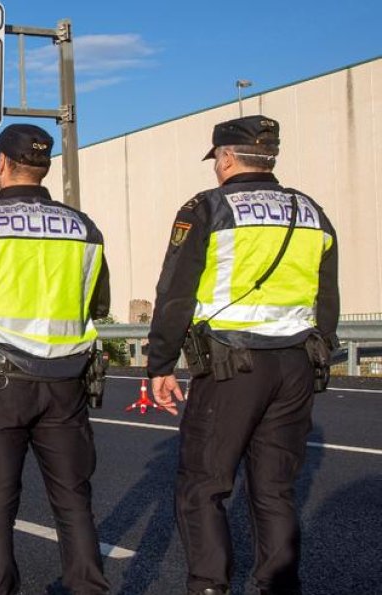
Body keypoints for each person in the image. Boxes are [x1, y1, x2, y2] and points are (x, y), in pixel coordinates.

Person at [146, 115, 339, 595]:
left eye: (216, 160)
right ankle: (279, 586)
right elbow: (327, 297)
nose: (216, 168)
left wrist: (161, 364)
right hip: (295, 363)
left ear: (227, 157)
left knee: (204, 486)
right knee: (274, 491)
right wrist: (320, 352)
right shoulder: (311, 210)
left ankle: (209, 586)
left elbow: (175, 293)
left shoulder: (207, 207)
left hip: (233, 365)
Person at [0, 123, 112, 595]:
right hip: (68, 383)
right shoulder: (84, 227)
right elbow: (99, 305)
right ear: (42, 167)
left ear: (3, 165)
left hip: (1, 383)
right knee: (73, 502)